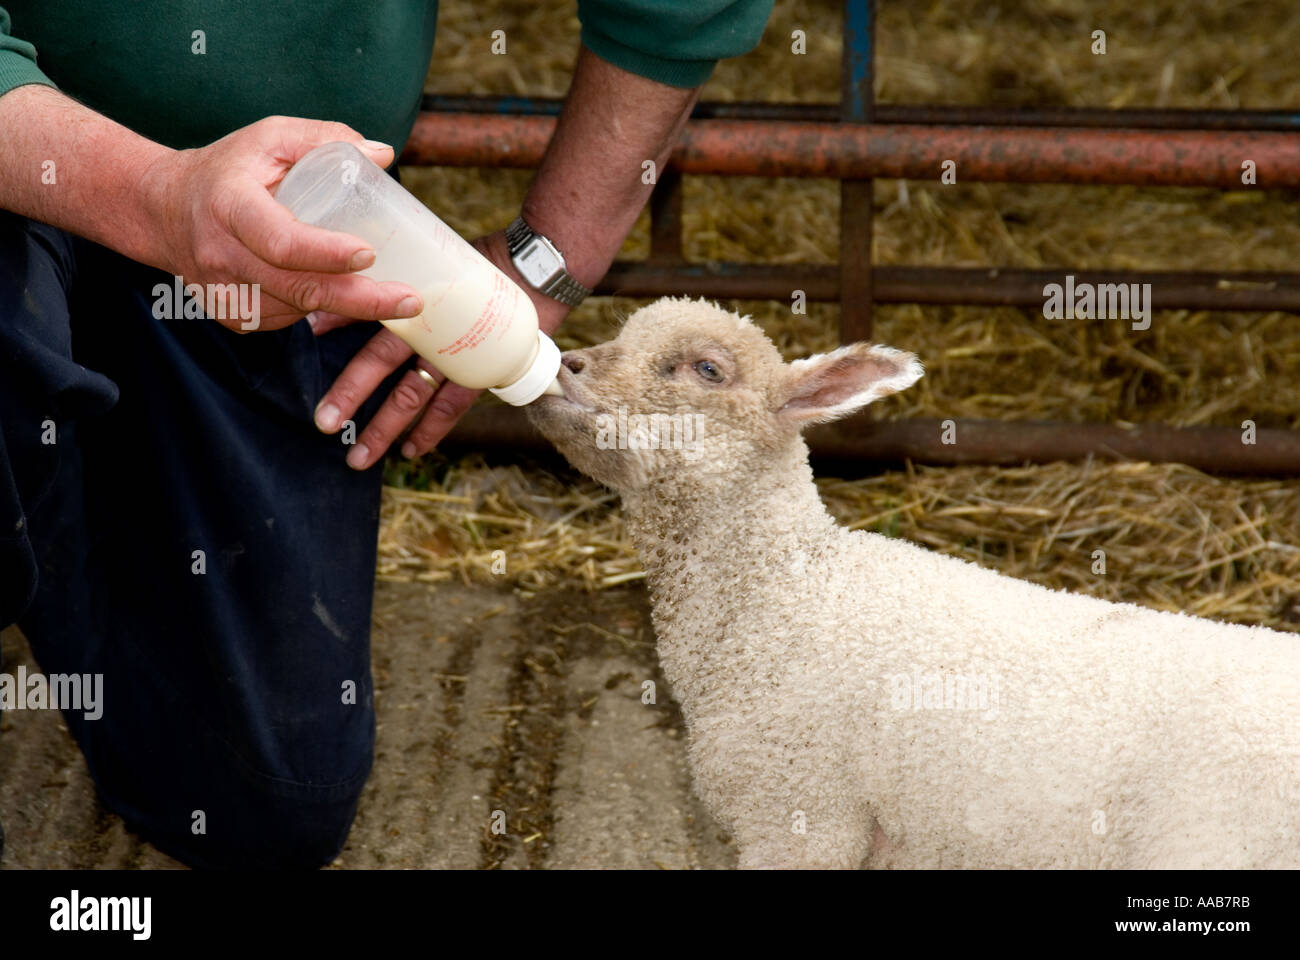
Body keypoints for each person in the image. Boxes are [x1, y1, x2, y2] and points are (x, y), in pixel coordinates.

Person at [0, 1, 774, 868]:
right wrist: (153, 193)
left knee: (264, 797)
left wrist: (550, 252)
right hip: (24, 165)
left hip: (273, 238)